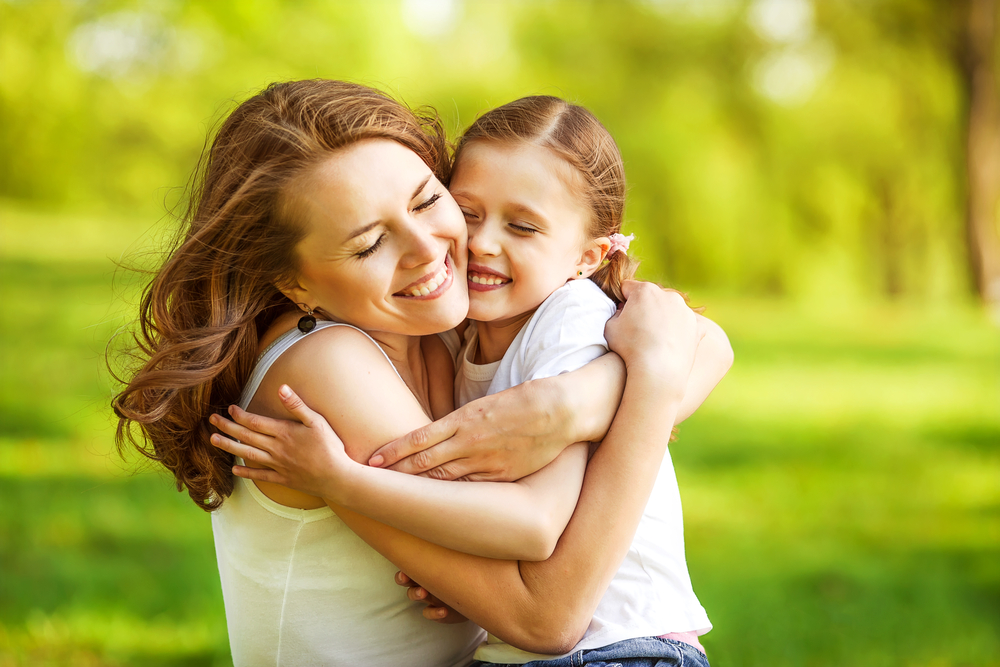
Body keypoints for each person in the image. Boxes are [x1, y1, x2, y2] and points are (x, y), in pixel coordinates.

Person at [111, 79, 726, 666]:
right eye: (369, 243)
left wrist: (571, 404)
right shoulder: (326, 367)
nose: (432, 249)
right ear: (295, 283)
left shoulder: (446, 323)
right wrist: (641, 382)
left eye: (429, 201)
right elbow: (547, 615)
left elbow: (699, 339)